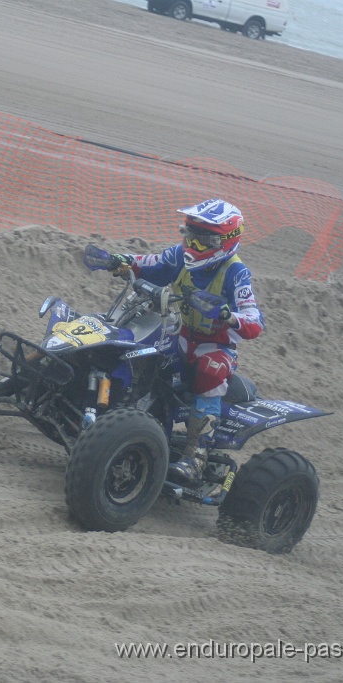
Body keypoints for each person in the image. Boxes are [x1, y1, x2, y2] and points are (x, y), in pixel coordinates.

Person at [108, 199, 265, 486]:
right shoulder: (180, 256)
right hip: (179, 334)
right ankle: (118, 413)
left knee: (210, 370)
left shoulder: (236, 272)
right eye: (190, 235)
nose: (194, 245)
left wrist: (230, 316)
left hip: (215, 347)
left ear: (226, 241)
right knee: (138, 348)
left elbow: (256, 321)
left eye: (204, 241)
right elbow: (150, 264)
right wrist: (123, 261)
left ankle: (195, 457)